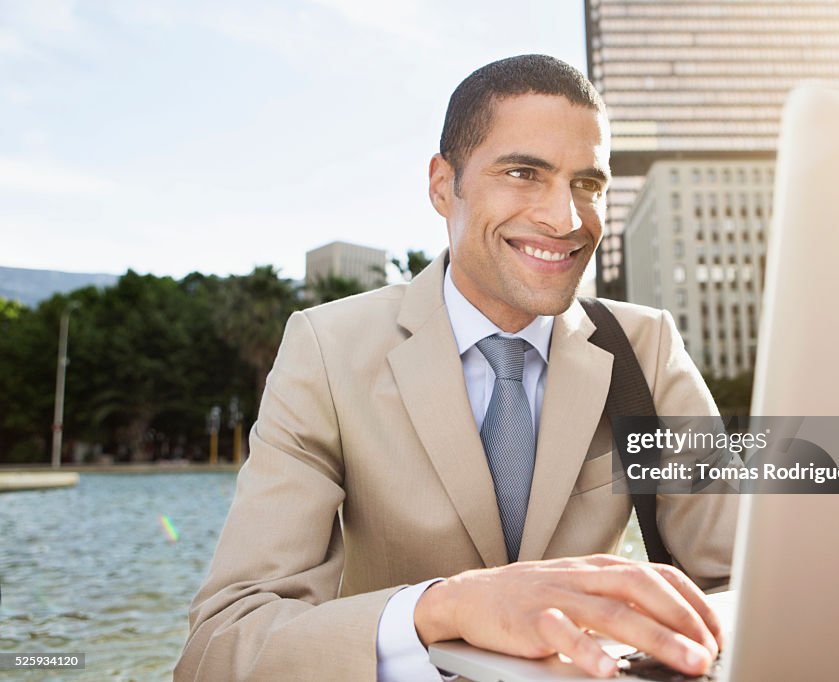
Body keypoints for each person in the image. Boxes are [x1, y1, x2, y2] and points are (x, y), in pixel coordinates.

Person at [175, 54, 737, 682]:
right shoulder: (326, 348)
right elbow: (220, 648)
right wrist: (442, 608)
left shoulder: (647, 348)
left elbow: (743, 579)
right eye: (524, 173)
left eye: (589, 183)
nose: (568, 219)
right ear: (444, 185)